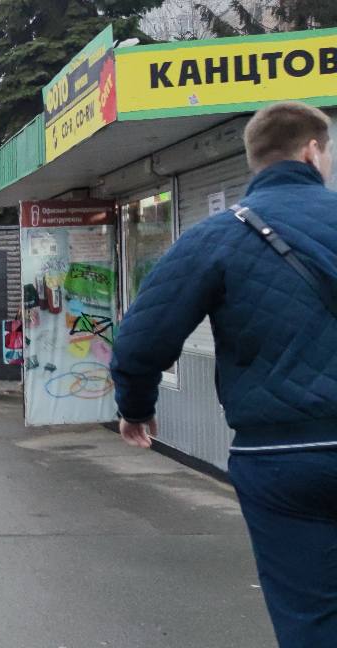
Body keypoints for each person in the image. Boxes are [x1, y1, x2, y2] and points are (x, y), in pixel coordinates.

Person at [109, 102, 336, 648]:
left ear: (255, 161)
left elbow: (139, 342)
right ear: (312, 151)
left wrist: (136, 408)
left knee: (311, 614)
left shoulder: (216, 237)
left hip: (282, 458)